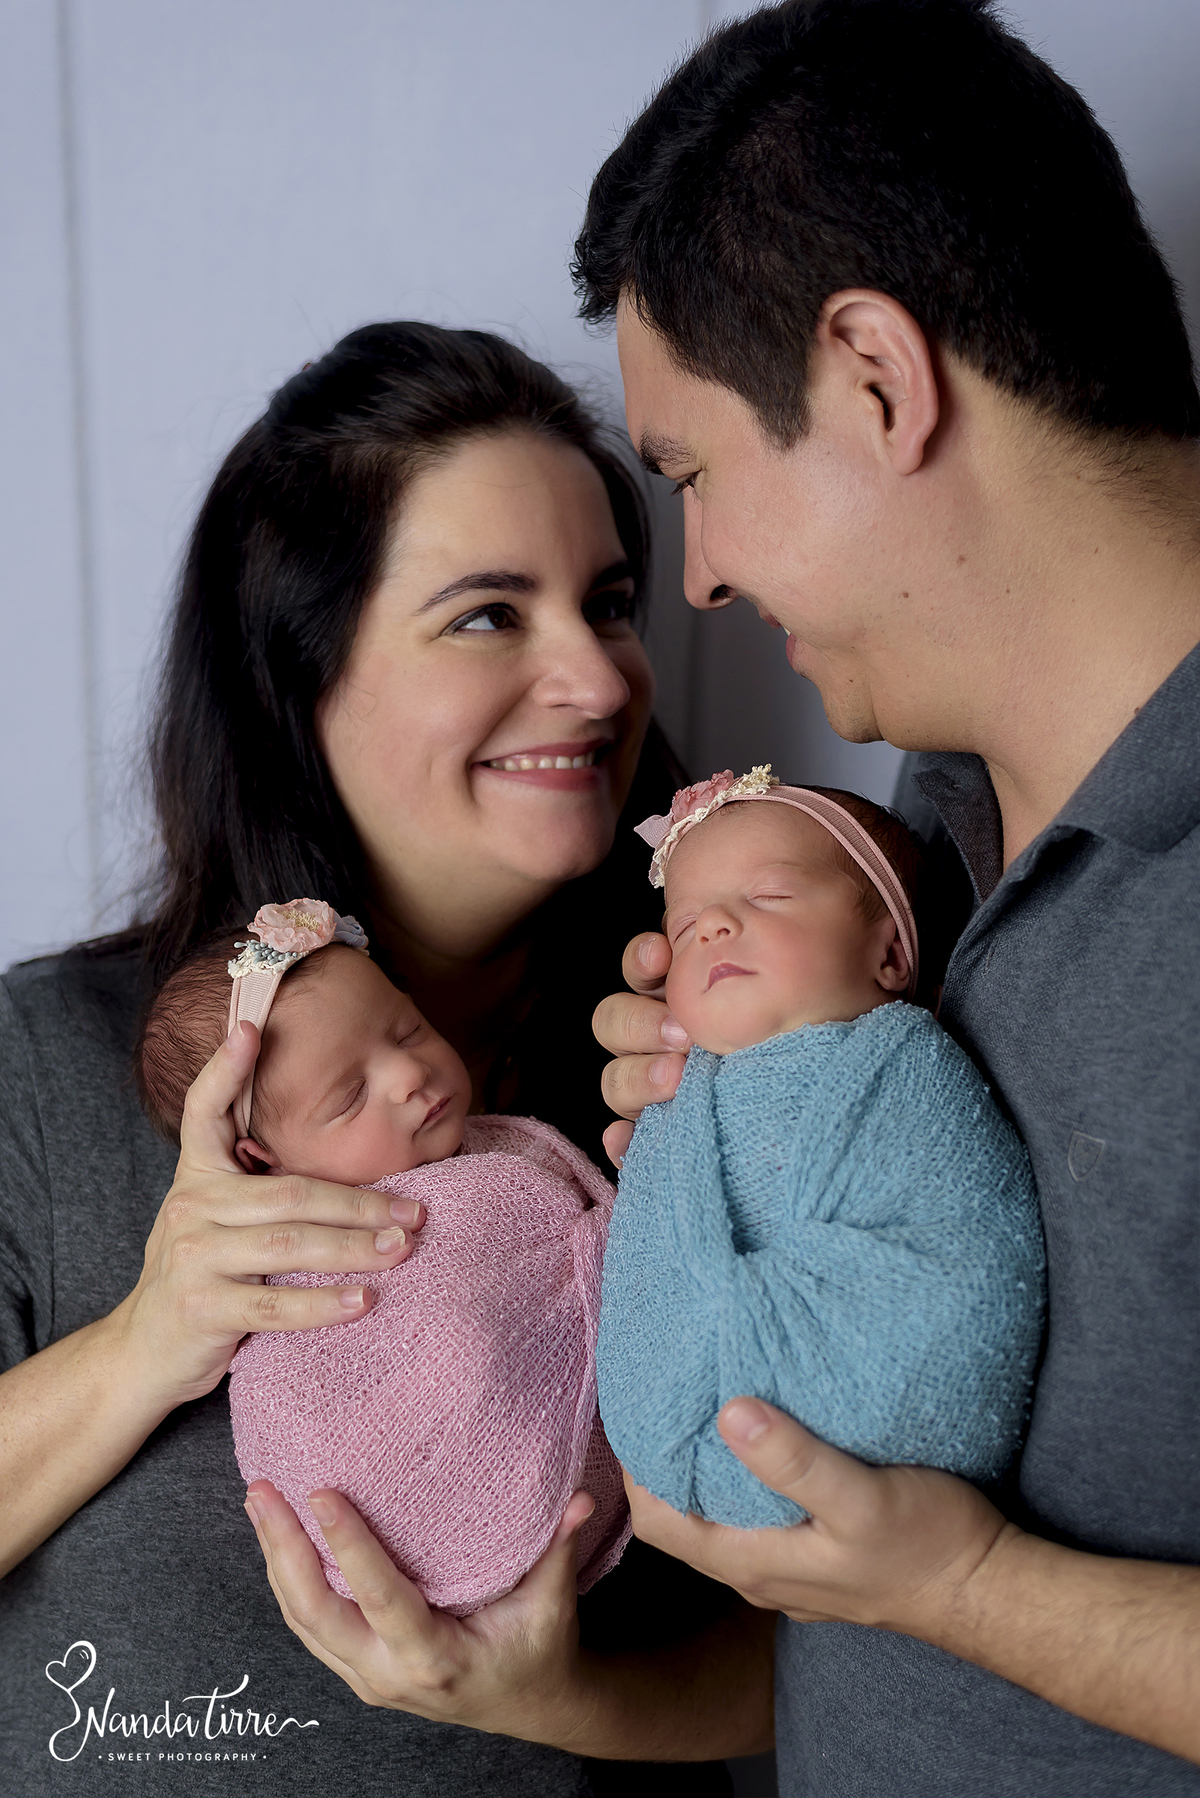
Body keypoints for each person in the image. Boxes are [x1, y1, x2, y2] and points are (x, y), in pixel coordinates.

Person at [0, 322, 773, 1796]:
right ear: (303, 679)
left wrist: (574, 1702)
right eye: (490, 614)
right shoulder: (49, 1063)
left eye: (608, 603)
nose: (601, 682)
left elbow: (869, 1645)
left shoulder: (697, 1072)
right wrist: (150, 1338)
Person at [568, 0, 1199, 1790]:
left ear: (873, 377)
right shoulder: (912, 816)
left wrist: (975, 1588)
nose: (695, 581)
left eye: (691, 476)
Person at [135, 900, 630, 1618]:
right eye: (350, 1095)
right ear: (260, 1161)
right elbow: (312, 1407)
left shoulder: (493, 1149)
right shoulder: (287, 1269)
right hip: (436, 1545)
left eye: (408, 1029)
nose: (408, 1074)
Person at [596, 767, 1044, 1527]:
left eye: (768, 895)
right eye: (682, 925)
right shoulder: (677, 1095)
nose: (710, 928)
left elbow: (970, 1246)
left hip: (866, 1420)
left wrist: (751, 1309)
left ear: (890, 958)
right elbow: (644, 1258)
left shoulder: (902, 1063)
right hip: (670, 1434)